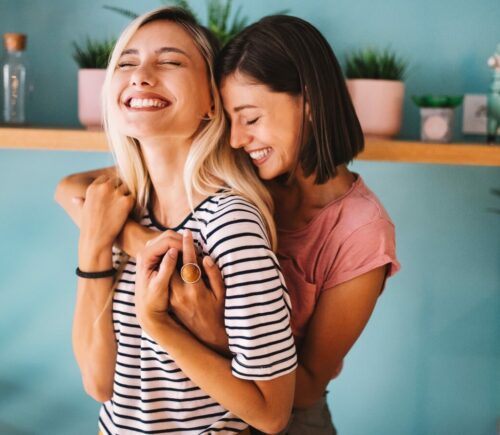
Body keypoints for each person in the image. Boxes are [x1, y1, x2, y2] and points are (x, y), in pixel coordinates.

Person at [57, 13, 400, 435]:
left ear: (308, 105)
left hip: (293, 414)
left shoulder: (359, 231)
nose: (235, 138)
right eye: (230, 117)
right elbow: (72, 188)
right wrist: (143, 244)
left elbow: (299, 391)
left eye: (251, 119)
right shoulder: (252, 166)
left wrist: (202, 325)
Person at [55, 7, 298, 435]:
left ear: (211, 100)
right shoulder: (122, 207)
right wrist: (103, 241)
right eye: (126, 62)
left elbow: (272, 414)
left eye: (169, 61)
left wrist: (158, 323)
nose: (140, 75)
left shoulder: (230, 225)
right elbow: (98, 384)